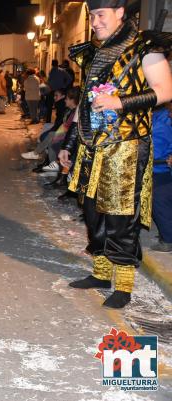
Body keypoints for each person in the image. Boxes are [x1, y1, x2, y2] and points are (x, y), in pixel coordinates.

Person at [60, 0, 172, 308]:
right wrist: (70, 146)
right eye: (92, 15)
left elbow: (165, 90)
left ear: (121, 12)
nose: (94, 22)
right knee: (94, 212)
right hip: (91, 145)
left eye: (100, 15)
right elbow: (84, 104)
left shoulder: (145, 46)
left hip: (127, 146)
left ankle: (123, 286)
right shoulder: (93, 53)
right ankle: (100, 273)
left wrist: (119, 102)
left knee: (121, 218)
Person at [151, 103, 172, 252]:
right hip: (161, 166)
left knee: (158, 197)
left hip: (160, 169)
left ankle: (168, 239)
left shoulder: (163, 119)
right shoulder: (162, 115)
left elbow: (157, 148)